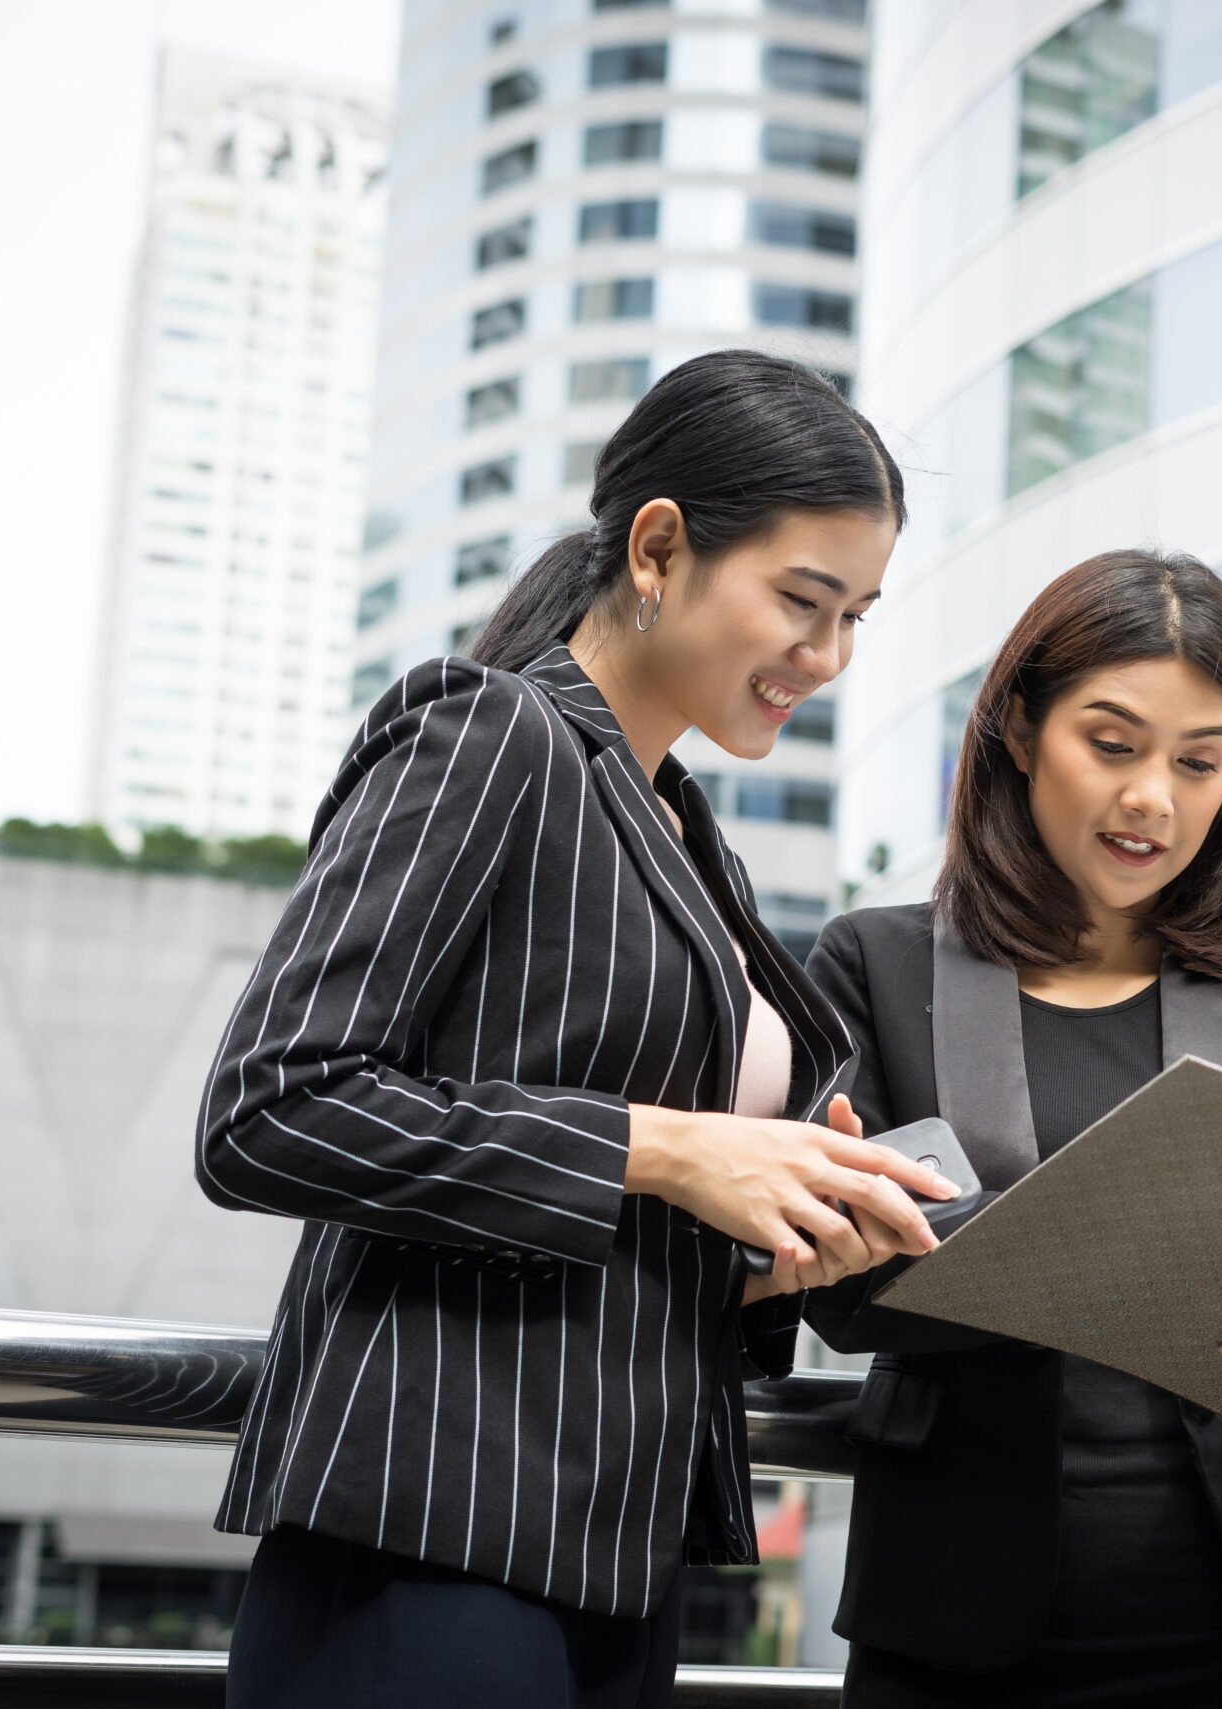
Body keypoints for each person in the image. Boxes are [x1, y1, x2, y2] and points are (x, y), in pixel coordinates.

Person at [195, 350, 954, 1709]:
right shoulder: (490, 735)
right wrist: (666, 1152)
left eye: (858, 617)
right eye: (802, 600)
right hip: (429, 1530)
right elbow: (270, 1107)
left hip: (615, 1547)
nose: (828, 658)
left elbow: (602, 1204)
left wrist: (765, 1242)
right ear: (659, 545)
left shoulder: (683, 829)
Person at [805, 549, 1222, 1709]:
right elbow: (840, 1292)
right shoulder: (876, 962)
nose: (1153, 796)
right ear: (1016, 727)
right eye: (1111, 744)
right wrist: (1116, 1243)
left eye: (1198, 761)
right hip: (954, 1646)